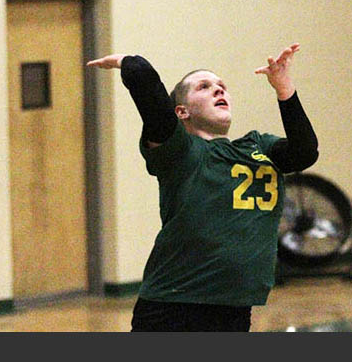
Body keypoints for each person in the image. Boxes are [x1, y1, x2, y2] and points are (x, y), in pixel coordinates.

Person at [86, 43, 318, 332]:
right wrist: (127, 62)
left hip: (234, 307)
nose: (218, 90)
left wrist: (284, 89)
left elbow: (305, 152)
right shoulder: (180, 151)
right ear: (181, 112)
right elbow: (150, 92)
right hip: (174, 307)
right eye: (204, 87)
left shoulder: (258, 146)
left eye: (221, 86)